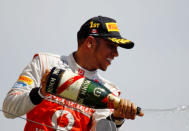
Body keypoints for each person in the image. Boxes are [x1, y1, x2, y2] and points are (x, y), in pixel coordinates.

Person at [3, 16, 140, 131]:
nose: (116, 54)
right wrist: (40, 92)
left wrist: (116, 118)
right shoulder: (44, 62)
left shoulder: (109, 91)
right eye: (111, 46)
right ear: (90, 43)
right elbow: (9, 108)